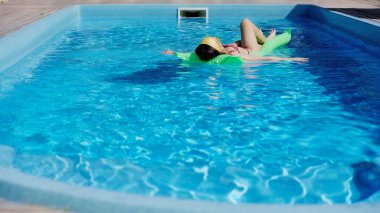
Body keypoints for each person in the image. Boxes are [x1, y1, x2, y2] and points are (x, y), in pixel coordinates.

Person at [162, 18, 308, 62]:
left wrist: (173, 52)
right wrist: (291, 59)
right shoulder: (232, 54)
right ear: (216, 47)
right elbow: (262, 60)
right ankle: (266, 38)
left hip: (246, 46)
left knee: (245, 25)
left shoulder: (221, 50)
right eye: (217, 41)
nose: (219, 41)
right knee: (245, 22)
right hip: (254, 50)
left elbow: (189, 55)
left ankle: (264, 38)